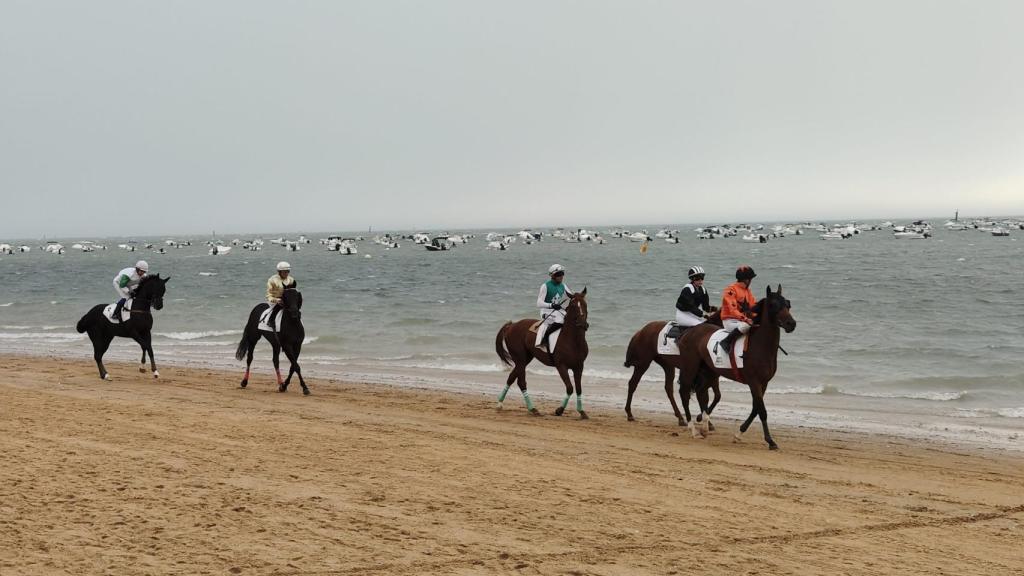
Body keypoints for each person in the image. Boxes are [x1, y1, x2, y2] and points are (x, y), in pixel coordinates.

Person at [718, 265, 758, 354]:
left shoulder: (747, 291)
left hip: (741, 320)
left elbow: (753, 306)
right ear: (746, 280)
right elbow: (732, 310)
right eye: (751, 279)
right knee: (746, 326)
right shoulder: (731, 290)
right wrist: (746, 319)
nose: (751, 281)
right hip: (730, 321)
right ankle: (726, 342)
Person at [537, 264, 574, 351]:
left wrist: (579, 296)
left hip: (557, 311)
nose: (561, 276)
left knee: (571, 319)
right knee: (561, 321)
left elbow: (571, 296)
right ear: (553, 276)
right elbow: (538, 303)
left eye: (562, 274)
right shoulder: (545, 286)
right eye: (558, 274)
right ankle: (544, 339)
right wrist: (551, 305)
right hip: (546, 312)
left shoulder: (563, 285)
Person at [266, 261, 297, 330]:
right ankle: (270, 321)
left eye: (287, 271)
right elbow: (268, 295)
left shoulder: (291, 280)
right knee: (279, 306)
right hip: (275, 301)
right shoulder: (272, 280)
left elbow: (293, 292)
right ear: (279, 272)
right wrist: (276, 300)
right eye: (284, 272)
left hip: (287, 300)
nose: (286, 273)